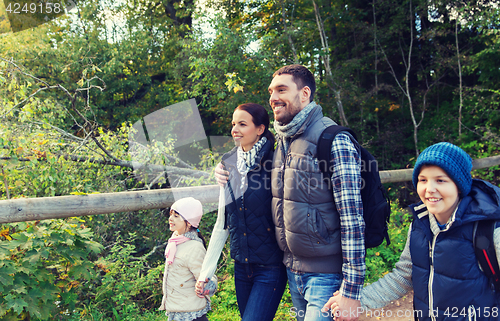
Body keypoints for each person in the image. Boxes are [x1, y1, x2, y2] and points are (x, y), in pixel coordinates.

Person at [216, 65, 365, 321]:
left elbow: (352, 219)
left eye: (282, 90)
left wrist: (351, 290)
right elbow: (244, 160)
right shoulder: (282, 142)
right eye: (271, 91)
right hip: (293, 272)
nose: (273, 97)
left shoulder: (333, 140)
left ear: (305, 93)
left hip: (325, 276)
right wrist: (219, 168)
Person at [323, 142, 500, 321]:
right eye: (423, 180)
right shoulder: (419, 226)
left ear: (459, 185)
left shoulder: (487, 228)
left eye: (440, 180)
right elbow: (403, 276)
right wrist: (357, 300)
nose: (429, 189)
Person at [196, 103, 287, 321]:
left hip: (271, 267)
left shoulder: (277, 161)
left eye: (242, 124)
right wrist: (206, 272)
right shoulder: (228, 164)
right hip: (242, 267)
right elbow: (222, 223)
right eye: (233, 124)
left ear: (260, 129)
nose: (234, 129)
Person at [159, 197, 216, 321]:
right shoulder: (175, 241)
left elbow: (207, 275)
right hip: (177, 308)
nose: (170, 218)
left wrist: (205, 285)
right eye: (171, 214)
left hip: (191, 312)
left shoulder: (194, 247)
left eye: (176, 216)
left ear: (189, 222)